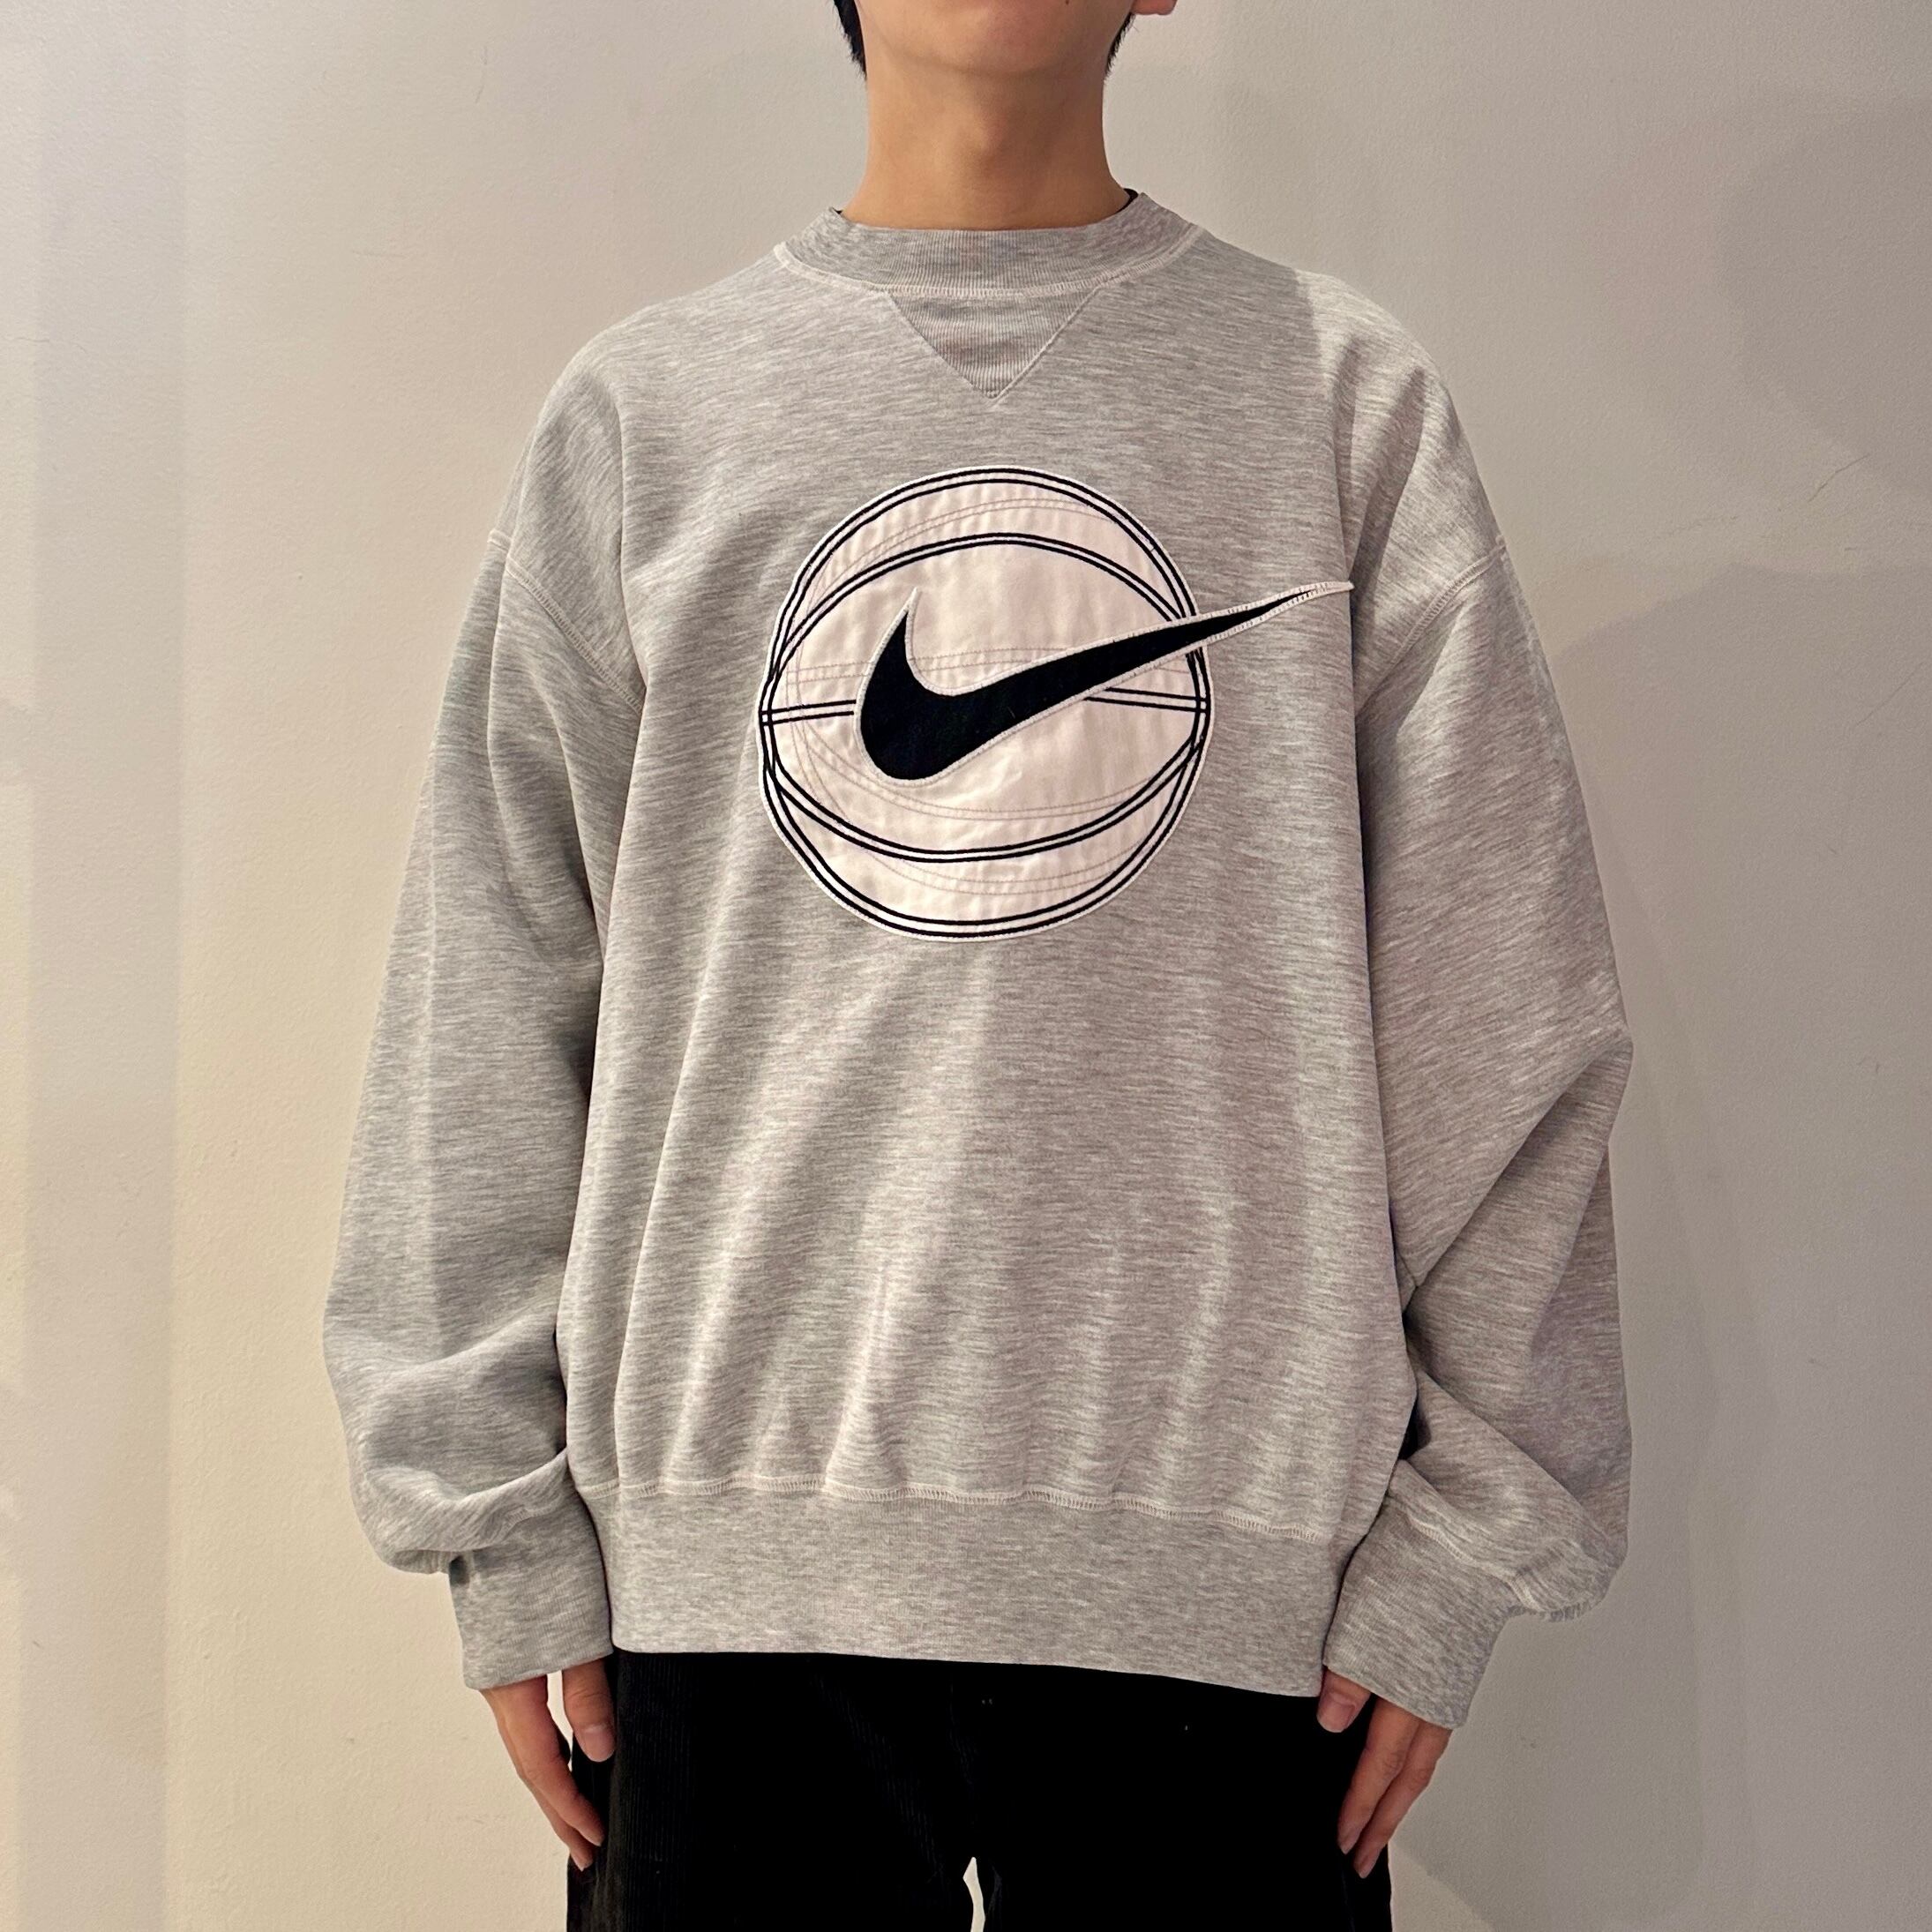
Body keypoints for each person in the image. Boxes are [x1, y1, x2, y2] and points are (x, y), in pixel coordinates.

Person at [320, 2, 1636, 1925]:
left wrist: (1463, 1546)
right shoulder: (648, 416)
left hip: (1235, 1602)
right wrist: (494, 1522)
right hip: (724, 1596)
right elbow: (491, 982)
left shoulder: (1337, 402)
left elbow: (1499, 992)